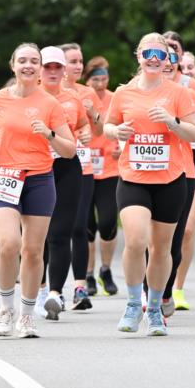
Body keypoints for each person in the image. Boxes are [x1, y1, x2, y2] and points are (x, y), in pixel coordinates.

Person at [0, 43, 75, 338]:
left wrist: (49, 134)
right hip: (4, 176)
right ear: (13, 65)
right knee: (8, 244)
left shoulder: (50, 104)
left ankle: (27, 315)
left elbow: (69, 149)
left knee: (33, 251)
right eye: (23, 61)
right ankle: (6, 308)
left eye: (34, 61)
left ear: (41, 68)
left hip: (39, 179)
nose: (28, 65)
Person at [104, 32, 195, 336]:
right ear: (139, 56)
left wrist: (173, 123)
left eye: (161, 53)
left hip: (171, 179)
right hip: (133, 178)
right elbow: (107, 126)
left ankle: (155, 308)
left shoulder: (179, 94)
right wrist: (116, 131)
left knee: (161, 249)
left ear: (169, 59)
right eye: (148, 53)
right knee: (135, 240)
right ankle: (134, 304)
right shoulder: (123, 93)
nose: (154, 58)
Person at [160, 31, 195, 315]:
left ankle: (175, 288)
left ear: (180, 55)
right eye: (163, 50)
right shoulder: (144, 83)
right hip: (159, 161)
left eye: (173, 51)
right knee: (156, 235)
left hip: (192, 158)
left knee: (186, 230)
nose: (168, 56)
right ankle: (153, 289)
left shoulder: (190, 86)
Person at [37, 46, 89, 319]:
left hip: (67, 166)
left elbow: (81, 127)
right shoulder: (26, 98)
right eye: (48, 67)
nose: (54, 72)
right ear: (39, 69)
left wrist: (86, 133)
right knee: (36, 236)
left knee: (60, 233)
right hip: (35, 167)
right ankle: (40, 288)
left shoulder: (73, 98)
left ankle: (56, 294)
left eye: (58, 67)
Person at [58, 43, 104, 309]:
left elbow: (97, 130)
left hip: (82, 167)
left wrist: (91, 115)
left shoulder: (87, 92)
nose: (77, 66)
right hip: (51, 167)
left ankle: (80, 288)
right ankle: (48, 288)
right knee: (54, 229)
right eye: (72, 61)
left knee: (79, 226)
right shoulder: (47, 92)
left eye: (79, 61)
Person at [84, 56, 119, 297]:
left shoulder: (116, 98)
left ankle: (105, 270)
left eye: (104, 78)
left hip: (110, 168)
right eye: (95, 79)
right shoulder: (79, 98)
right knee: (87, 227)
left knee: (107, 223)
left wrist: (122, 147)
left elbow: (129, 125)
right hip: (84, 168)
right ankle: (88, 274)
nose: (100, 83)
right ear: (87, 80)